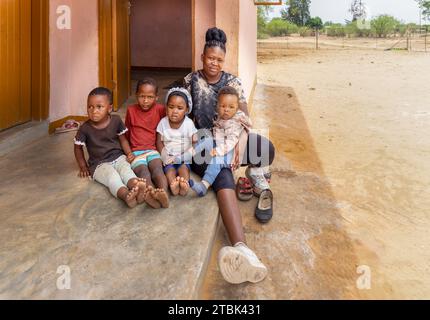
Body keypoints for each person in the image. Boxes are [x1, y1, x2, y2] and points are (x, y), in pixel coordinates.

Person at [183, 28, 276, 284]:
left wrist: (238, 146)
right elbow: (178, 112)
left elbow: (245, 119)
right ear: (202, 56)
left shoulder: (232, 82)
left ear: (224, 60)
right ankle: (242, 248)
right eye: (210, 58)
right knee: (222, 174)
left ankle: (255, 174)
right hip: (204, 141)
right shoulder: (190, 80)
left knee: (266, 148)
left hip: (232, 138)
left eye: (219, 59)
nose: (214, 63)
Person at [74, 87, 147, 208]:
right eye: (90, 107)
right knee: (112, 178)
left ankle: (136, 185)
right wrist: (83, 166)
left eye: (99, 107)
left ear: (109, 108)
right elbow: (77, 148)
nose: (94, 111)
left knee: (126, 171)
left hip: (118, 157)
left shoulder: (116, 121)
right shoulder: (85, 128)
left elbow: (122, 139)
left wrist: (129, 153)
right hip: (99, 164)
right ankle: (126, 196)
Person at [189, 86, 252, 197]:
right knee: (206, 140)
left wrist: (217, 151)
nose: (226, 109)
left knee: (216, 162)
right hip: (220, 143)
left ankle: (204, 185)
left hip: (229, 152)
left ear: (237, 108)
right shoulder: (221, 117)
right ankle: (190, 154)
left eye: (231, 107)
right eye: (223, 106)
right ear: (217, 106)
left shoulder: (235, 123)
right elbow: (217, 132)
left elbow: (231, 142)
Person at [125, 78, 169, 209]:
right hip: (136, 153)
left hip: (153, 150)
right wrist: (128, 153)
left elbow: (165, 129)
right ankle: (150, 195)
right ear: (136, 95)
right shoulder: (131, 110)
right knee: (144, 174)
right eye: (141, 96)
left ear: (156, 97)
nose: (145, 101)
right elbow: (126, 133)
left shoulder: (160, 110)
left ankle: (163, 194)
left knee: (157, 170)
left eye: (149, 97)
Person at [156, 88, 197, 196]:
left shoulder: (189, 124)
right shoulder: (163, 122)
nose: (174, 111)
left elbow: (195, 141)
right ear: (166, 108)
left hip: (184, 157)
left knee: (184, 169)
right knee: (169, 172)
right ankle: (173, 185)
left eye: (180, 108)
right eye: (171, 107)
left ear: (186, 110)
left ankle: (184, 184)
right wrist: (164, 156)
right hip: (169, 157)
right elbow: (159, 141)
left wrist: (189, 154)